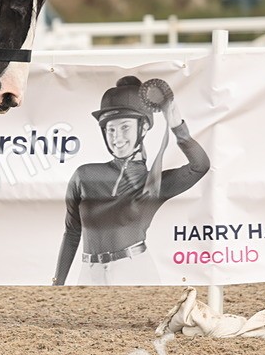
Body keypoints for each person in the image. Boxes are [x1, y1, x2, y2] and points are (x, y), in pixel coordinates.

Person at [53, 76, 210, 286]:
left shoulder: (153, 183)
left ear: (143, 128)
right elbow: (72, 231)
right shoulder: (84, 175)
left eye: (125, 127)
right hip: (89, 274)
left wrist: (176, 126)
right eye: (111, 129)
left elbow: (200, 166)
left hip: (135, 270)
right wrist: (58, 283)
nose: (117, 138)